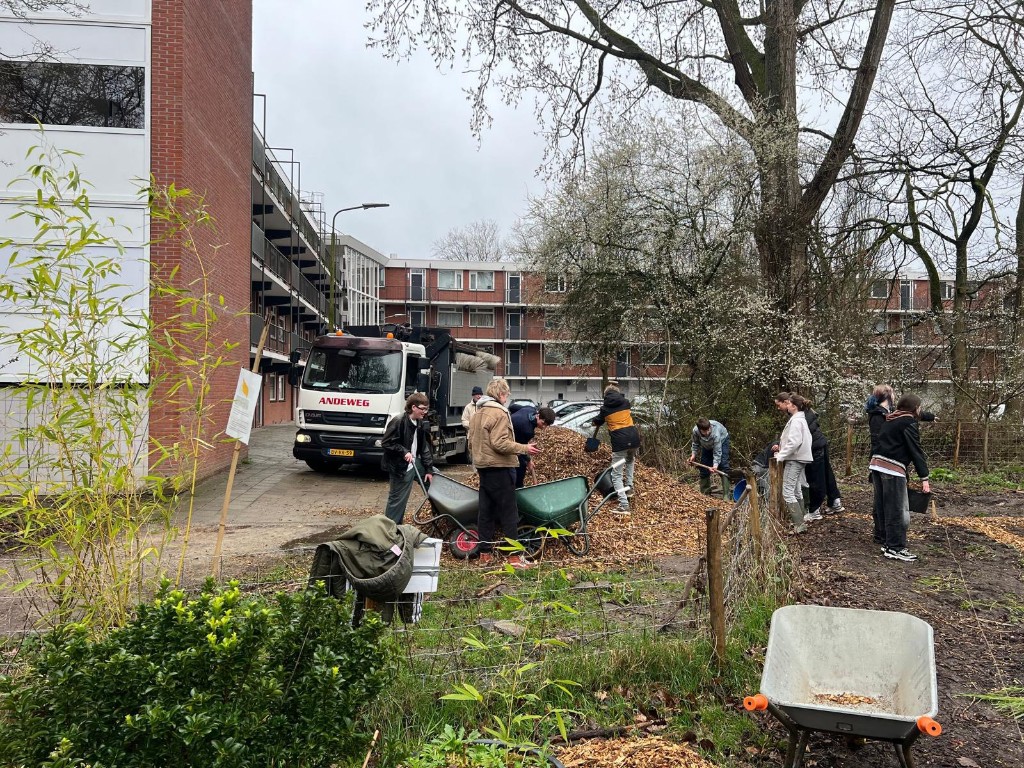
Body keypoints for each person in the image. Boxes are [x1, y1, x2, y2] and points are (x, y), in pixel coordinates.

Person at [470, 377, 540, 568]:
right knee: (509, 513)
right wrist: (524, 448)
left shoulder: (478, 412)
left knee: (486, 512)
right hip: (500, 468)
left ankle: (485, 554)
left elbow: (471, 441)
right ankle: (514, 557)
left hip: (483, 468)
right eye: (506, 395)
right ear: (501, 394)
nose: (507, 398)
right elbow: (500, 443)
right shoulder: (499, 413)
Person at [870, 393, 930, 562]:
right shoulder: (908, 422)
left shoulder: (890, 418)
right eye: (919, 407)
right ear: (915, 408)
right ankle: (895, 548)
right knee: (896, 508)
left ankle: (885, 540)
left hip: (876, 465)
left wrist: (930, 417)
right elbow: (915, 449)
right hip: (892, 468)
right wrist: (924, 477)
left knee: (882, 505)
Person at [380, 393, 434, 525]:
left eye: (426, 409)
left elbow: (424, 448)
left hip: (415, 463)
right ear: (413, 407)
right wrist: (404, 452)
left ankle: (441, 514)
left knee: (436, 480)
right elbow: (386, 443)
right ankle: (391, 530)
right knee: (397, 501)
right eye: (423, 409)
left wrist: (428, 469)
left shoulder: (420, 423)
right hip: (401, 467)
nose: (425, 412)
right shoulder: (398, 421)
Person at [592, 383, 641, 515]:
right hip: (634, 437)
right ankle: (629, 488)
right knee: (630, 461)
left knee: (616, 474)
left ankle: (624, 505)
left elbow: (598, 421)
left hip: (620, 441)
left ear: (605, 396)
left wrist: (594, 421)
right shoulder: (626, 402)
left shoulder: (605, 408)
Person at [772, 392, 813, 534]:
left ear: (794, 406)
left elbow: (794, 442)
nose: (786, 405)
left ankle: (799, 524)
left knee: (787, 492)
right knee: (796, 490)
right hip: (798, 458)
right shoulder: (799, 419)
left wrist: (780, 456)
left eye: (788, 403)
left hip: (795, 459)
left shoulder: (796, 420)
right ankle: (800, 521)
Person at [803, 402, 843, 520]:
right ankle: (835, 500)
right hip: (821, 444)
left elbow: (802, 436)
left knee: (816, 478)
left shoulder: (802, 417)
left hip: (815, 448)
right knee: (826, 473)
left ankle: (815, 509)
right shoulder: (809, 413)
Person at [510, 405, 557, 488]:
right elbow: (522, 448)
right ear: (538, 416)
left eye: (547, 425)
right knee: (520, 467)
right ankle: (518, 489)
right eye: (543, 423)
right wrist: (528, 461)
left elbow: (512, 407)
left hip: (515, 433)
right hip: (506, 439)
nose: (544, 427)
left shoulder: (530, 409)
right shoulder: (527, 430)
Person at [688, 417, 731, 499]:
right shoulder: (695, 431)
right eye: (704, 431)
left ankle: (726, 496)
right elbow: (695, 443)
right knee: (704, 467)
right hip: (706, 445)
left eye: (708, 430)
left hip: (722, 441)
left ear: (710, 426)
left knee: (723, 466)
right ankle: (705, 494)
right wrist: (693, 455)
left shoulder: (716, 433)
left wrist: (715, 465)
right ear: (699, 429)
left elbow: (717, 451)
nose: (707, 432)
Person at [461, 385, 484, 468]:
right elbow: (464, 420)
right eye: (477, 394)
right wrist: (472, 426)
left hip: (483, 436)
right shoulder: (468, 407)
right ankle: (475, 471)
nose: (479, 396)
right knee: (473, 455)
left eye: (480, 394)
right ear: (473, 395)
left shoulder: (485, 406)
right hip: (472, 436)